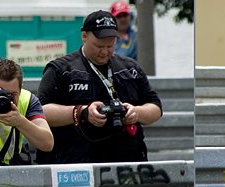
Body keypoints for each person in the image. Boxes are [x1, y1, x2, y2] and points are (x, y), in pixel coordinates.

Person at [35, 10, 162, 164]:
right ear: (84, 37)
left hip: (126, 163)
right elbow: (40, 112)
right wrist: (81, 112)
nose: (105, 52)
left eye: (110, 46)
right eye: (99, 46)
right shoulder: (61, 69)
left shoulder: (130, 68)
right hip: (76, 163)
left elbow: (156, 108)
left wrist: (136, 112)